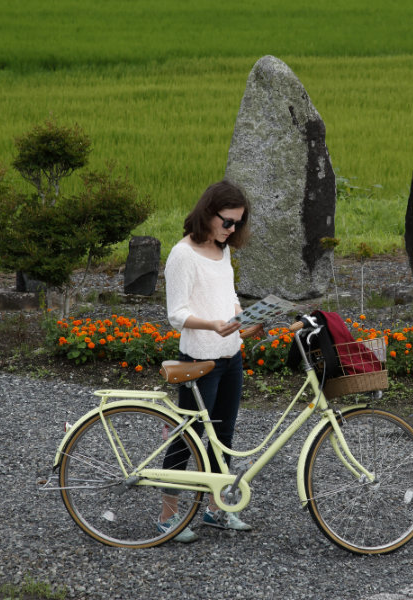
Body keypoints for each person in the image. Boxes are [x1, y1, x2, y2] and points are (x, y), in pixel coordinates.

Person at [158, 180, 260, 541]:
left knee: (223, 435)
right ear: (208, 213)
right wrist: (213, 325)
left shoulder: (223, 250)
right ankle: (167, 517)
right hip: (200, 359)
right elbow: (177, 314)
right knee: (189, 437)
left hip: (231, 355)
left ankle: (216, 511)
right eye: (227, 222)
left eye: (237, 224)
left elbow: (229, 293)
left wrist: (239, 318)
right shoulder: (183, 255)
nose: (231, 230)